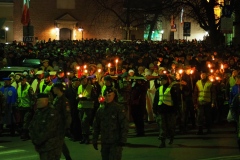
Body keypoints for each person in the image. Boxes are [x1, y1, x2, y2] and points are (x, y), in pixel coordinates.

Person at [92, 88, 129, 160]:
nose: (107, 98)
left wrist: (123, 139)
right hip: (104, 141)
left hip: (115, 141)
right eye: (106, 96)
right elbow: (96, 126)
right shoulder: (101, 110)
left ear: (114, 96)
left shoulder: (118, 108)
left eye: (109, 95)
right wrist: (95, 139)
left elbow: (124, 124)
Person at [28, 93, 63, 160]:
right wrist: (33, 139)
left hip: (51, 147)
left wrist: (37, 140)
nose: (37, 103)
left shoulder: (52, 113)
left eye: (39, 101)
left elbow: (49, 130)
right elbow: (31, 126)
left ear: (46, 101)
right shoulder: (38, 112)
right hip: (42, 147)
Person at [153, 74, 179, 148]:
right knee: (162, 126)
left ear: (166, 80)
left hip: (169, 110)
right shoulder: (159, 89)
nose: (161, 81)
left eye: (162, 80)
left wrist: (175, 110)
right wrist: (154, 109)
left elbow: (175, 100)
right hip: (161, 110)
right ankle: (162, 141)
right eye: (160, 80)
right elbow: (156, 100)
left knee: (170, 126)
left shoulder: (171, 88)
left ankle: (171, 136)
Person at [52, 83, 72, 160]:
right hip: (55, 124)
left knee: (59, 142)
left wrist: (67, 127)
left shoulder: (64, 101)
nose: (53, 90)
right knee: (60, 142)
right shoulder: (56, 98)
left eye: (54, 88)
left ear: (58, 89)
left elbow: (67, 115)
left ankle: (67, 157)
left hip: (61, 125)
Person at [77, 75, 94, 144]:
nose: (83, 81)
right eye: (82, 80)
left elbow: (93, 97)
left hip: (88, 107)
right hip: (81, 106)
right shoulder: (79, 87)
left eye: (85, 80)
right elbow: (78, 94)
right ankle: (84, 137)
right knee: (82, 122)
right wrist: (78, 97)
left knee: (85, 121)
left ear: (87, 80)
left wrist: (86, 98)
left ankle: (86, 137)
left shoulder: (91, 87)